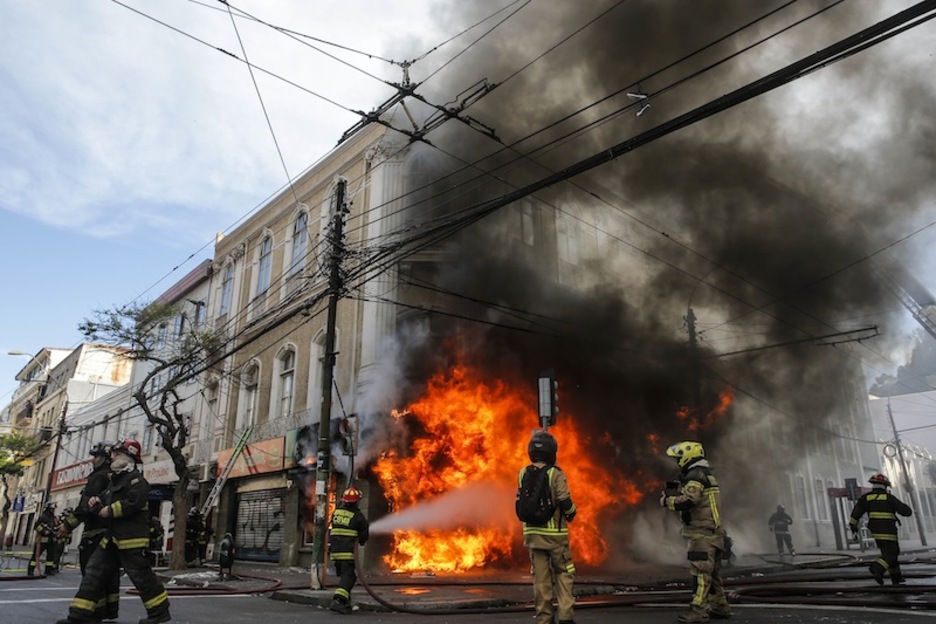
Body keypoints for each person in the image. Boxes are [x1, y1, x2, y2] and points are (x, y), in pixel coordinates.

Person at [56, 439, 171, 624]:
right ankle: (78, 616)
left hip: (130, 539)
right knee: (93, 573)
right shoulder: (114, 482)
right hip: (110, 539)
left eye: (116, 454)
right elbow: (103, 501)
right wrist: (96, 503)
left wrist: (109, 510)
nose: (112, 457)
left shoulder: (137, 480)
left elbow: (134, 502)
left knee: (141, 577)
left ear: (127, 457)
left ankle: (159, 613)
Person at [661, 441, 731, 623]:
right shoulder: (706, 475)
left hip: (701, 534)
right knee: (712, 574)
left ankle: (698, 611)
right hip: (714, 533)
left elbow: (689, 501)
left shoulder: (695, 476)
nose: (677, 462)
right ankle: (720, 606)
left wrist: (668, 501)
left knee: (700, 574)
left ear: (687, 457)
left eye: (678, 458)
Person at [517, 430, 577, 624]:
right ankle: (566, 617)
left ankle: (544, 619)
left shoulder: (523, 473)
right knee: (563, 574)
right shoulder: (555, 474)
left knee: (541, 580)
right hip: (555, 536)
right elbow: (565, 501)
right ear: (552, 452)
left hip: (532, 536)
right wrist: (572, 514)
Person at [59, 440, 121, 621]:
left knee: (92, 575)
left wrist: (67, 525)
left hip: (94, 534)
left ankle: (88, 615)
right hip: (111, 534)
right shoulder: (116, 477)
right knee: (107, 575)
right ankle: (106, 611)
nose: (93, 460)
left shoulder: (99, 477)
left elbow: (86, 505)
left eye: (97, 457)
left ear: (106, 457)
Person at [848, 472, 912, 586]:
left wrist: (853, 527)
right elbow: (906, 512)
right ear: (885, 486)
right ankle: (877, 568)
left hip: (875, 532)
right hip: (888, 531)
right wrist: (909, 509)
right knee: (893, 553)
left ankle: (896, 578)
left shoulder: (865, 498)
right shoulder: (889, 498)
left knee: (888, 554)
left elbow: (855, 514)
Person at [327, 486, 369, 614]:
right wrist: (361, 541)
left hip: (335, 552)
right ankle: (338, 600)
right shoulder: (358, 516)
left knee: (344, 576)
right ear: (356, 501)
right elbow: (363, 535)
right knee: (349, 577)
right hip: (346, 552)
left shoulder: (337, 512)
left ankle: (346, 603)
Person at [28, 502, 60, 576]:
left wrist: (56, 531)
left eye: (54, 509)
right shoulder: (43, 516)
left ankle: (48, 571)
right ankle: (30, 570)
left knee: (51, 556)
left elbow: (57, 526)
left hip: (51, 540)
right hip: (42, 540)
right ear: (48, 508)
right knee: (36, 555)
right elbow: (36, 526)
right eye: (51, 509)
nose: (53, 510)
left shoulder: (54, 518)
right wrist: (44, 531)